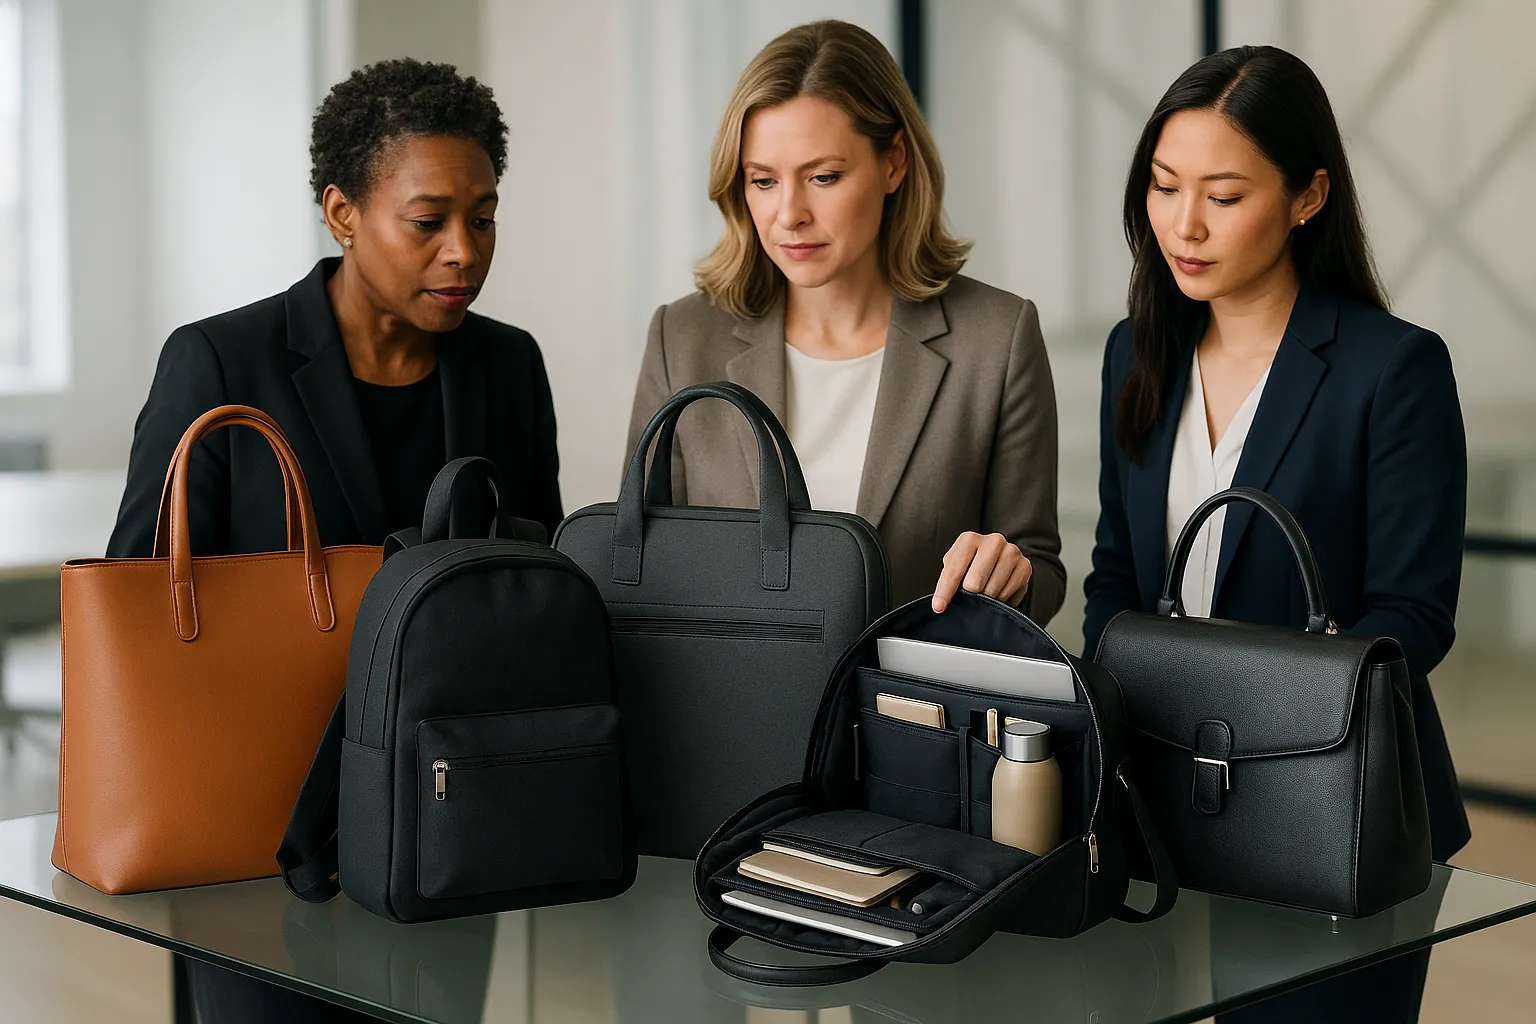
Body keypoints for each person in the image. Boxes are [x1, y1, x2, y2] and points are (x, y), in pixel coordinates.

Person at [109, 57, 551, 1023]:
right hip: (252, 825)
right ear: (342, 211)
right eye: (428, 221)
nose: (463, 251)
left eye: (483, 217)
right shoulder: (222, 359)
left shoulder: (507, 366)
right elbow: (141, 597)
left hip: (440, 822)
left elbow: (535, 579)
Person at [1082, 46, 1468, 1024]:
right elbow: (1114, 578)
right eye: (1164, 187)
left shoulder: (1393, 368)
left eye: (1223, 193)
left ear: (1308, 197)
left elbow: (1414, 615)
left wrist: (1261, 716)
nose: (1184, 223)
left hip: (1329, 805)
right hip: (1164, 796)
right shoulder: (1139, 353)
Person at [627, 19, 1065, 622]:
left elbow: (1037, 562)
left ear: (893, 163)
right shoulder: (681, 338)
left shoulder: (998, 337)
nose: (789, 214)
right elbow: (641, 568)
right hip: (725, 707)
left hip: (913, 707)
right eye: (763, 181)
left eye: (823, 177)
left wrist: (1010, 575)